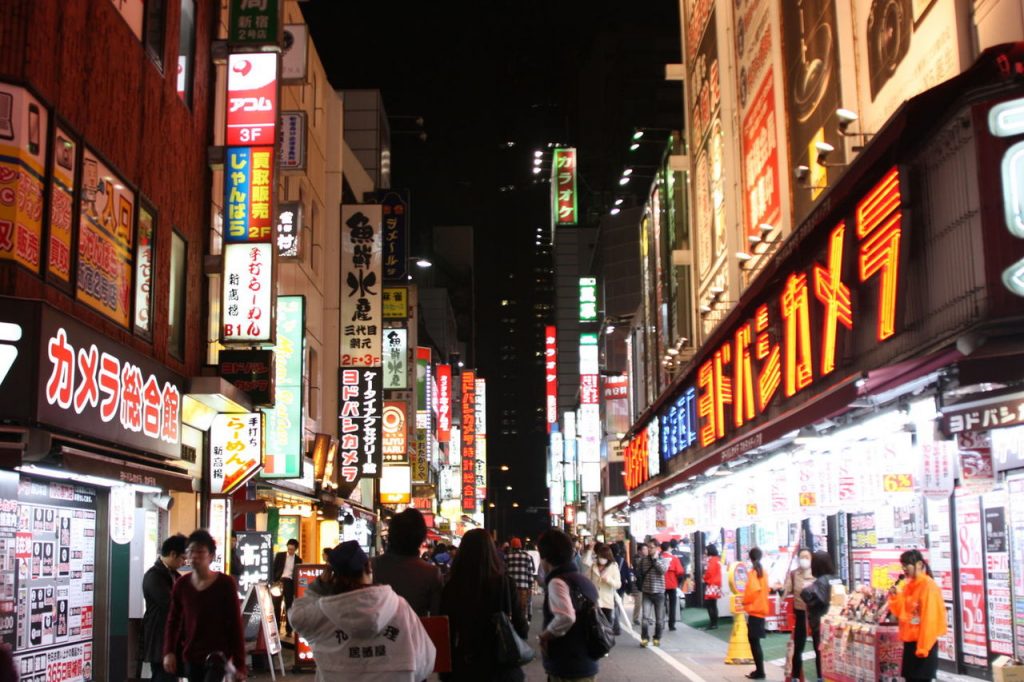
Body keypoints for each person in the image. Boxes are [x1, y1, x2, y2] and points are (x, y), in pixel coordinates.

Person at [288, 540, 436, 681]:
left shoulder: (323, 612)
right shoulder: (399, 607)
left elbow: (296, 617)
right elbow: (426, 662)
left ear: (332, 576)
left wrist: (318, 586)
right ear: (369, 567)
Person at [440, 528, 527, 681]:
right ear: (492, 552)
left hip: (466, 668)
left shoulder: (453, 587)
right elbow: (521, 628)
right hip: (501, 669)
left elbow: (446, 632)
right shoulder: (506, 584)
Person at [163, 530, 246, 682]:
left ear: (211, 556)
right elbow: (173, 621)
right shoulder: (181, 585)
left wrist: (240, 664)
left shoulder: (225, 584)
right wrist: (169, 651)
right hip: (191, 655)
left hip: (218, 656)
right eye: (191, 551)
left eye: (200, 552)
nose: (195, 556)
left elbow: (235, 624)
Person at [537, 528, 600, 682]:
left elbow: (566, 617)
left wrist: (545, 636)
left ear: (545, 558)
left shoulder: (557, 582)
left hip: (567, 666)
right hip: (587, 662)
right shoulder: (583, 580)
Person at [888, 549, 947, 682]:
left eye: (906, 565)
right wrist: (894, 596)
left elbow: (930, 619)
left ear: (919, 564)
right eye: (902, 565)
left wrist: (923, 647)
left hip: (923, 645)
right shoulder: (910, 586)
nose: (904, 569)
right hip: (910, 644)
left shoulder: (928, 586)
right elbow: (901, 612)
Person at [373, 508, 443, 616]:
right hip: (415, 631)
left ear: (390, 535)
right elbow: (436, 617)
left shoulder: (371, 566)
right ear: (421, 538)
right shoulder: (431, 573)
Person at [142, 534, 186, 682]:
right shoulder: (154, 576)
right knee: (163, 676)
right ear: (173, 554)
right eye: (183, 558)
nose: (184, 562)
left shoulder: (174, 575)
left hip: (171, 639)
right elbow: (171, 604)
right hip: (159, 638)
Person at [803, 550, 840, 682]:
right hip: (836, 622)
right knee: (834, 654)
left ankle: (821, 678)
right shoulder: (837, 578)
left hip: (820, 624)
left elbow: (809, 596)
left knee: (821, 653)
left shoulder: (820, 581)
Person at [784, 548, 816, 682]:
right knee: (798, 647)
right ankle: (796, 677)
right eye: (802, 557)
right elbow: (786, 590)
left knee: (819, 649)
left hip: (815, 614)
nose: (804, 559)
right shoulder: (793, 574)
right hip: (800, 614)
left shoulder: (817, 573)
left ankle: (820, 677)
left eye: (807, 557)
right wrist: (781, 589)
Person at [742, 547, 769, 680]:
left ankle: (760, 671)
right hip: (761, 609)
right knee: (755, 641)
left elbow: (752, 591)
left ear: (750, 558)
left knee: (754, 642)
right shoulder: (763, 572)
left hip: (754, 610)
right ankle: (759, 670)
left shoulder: (753, 572)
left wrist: (744, 601)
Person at [635, 539, 668, 647]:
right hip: (647, 592)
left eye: (651, 547)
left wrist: (655, 560)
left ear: (657, 548)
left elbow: (662, 570)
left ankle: (657, 638)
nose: (649, 549)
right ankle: (644, 638)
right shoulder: (643, 560)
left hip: (659, 593)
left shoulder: (663, 559)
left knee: (659, 619)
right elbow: (638, 572)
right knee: (645, 618)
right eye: (648, 547)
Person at [583, 542, 621, 624]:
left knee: (607, 627)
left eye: (603, 557)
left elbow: (618, 584)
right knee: (595, 627)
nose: (601, 559)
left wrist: (609, 580)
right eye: (600, 556)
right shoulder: (594, 566)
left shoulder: (613, 566)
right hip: (594, 601)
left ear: (608, 557)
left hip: (606, 601)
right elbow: (586, 576)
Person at [271, 538, 302, 635]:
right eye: (289, 549)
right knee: (276, 605)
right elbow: (274, 568)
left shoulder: (298, 560)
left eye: (292, 549)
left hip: (290, 583)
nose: (290, 551)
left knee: (289, 606)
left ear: (296, 549)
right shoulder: (280, 555)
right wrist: (273, 581)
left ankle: (289, 630)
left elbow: (298, 575)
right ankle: (276, 628)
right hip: (279, 581)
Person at [504, 536, 537, 623]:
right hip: (523, 588)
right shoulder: (527, 557)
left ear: (511, 546)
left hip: (510, 588)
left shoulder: (507, 557)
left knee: (512, 608)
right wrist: (530, 586)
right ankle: (523, 624)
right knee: (522, 608)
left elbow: (505, 573)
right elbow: (530, 574)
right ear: (520, 546)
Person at [660, 541, 685, 631]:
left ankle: (661, 623)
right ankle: (671, 625)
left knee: (660, 605)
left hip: (661, 585)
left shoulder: (659, 558)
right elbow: (680, 572)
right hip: (672, 584)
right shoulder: (674, 559)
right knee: (672, 605)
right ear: (669, 548)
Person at [703, 543, 722, 630]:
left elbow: (708, 572)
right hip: (717, 584)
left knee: (709, 604)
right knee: (714, 604)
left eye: (706, 549)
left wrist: (704, 578)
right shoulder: (717, 559)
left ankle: (712, 623)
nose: (705, 551)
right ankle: (715, 623)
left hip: (711, 584)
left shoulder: (710, 560)